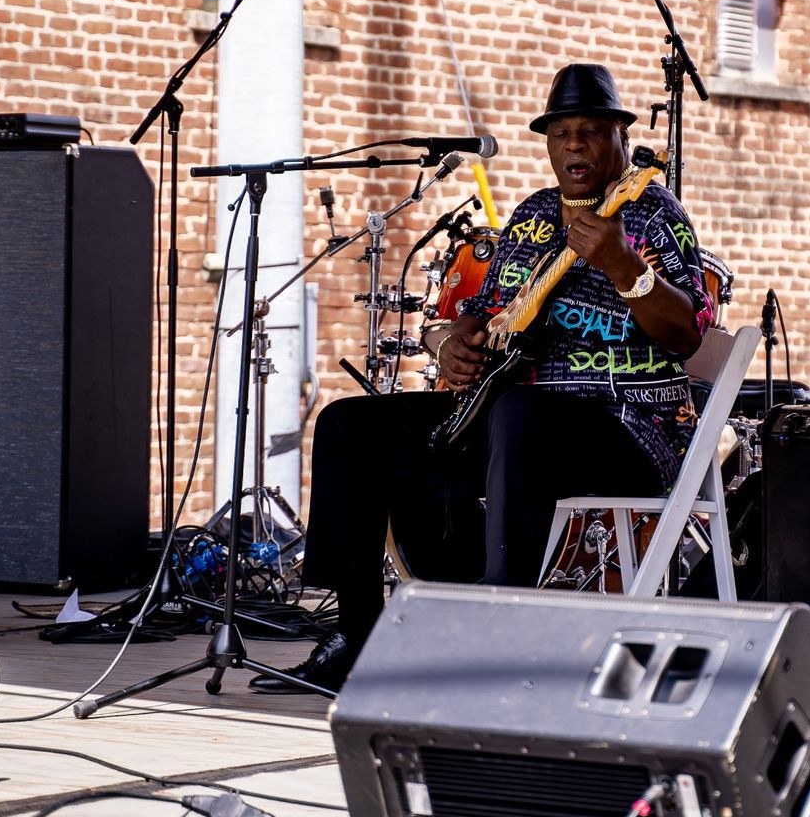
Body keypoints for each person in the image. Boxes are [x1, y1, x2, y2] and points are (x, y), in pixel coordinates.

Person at [251, 63, 714, 694]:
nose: (574, 144)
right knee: (350, 424)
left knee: (521, 415)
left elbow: (687, 333)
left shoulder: (654, 215)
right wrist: (451, 343)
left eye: (589, 131)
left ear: (618, 138)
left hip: (625, 429)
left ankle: (501, 631)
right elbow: (482, 313)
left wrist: (621, 263)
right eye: (561, 133)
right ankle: (356, 638)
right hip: (510, 420)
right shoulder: (531, 216)